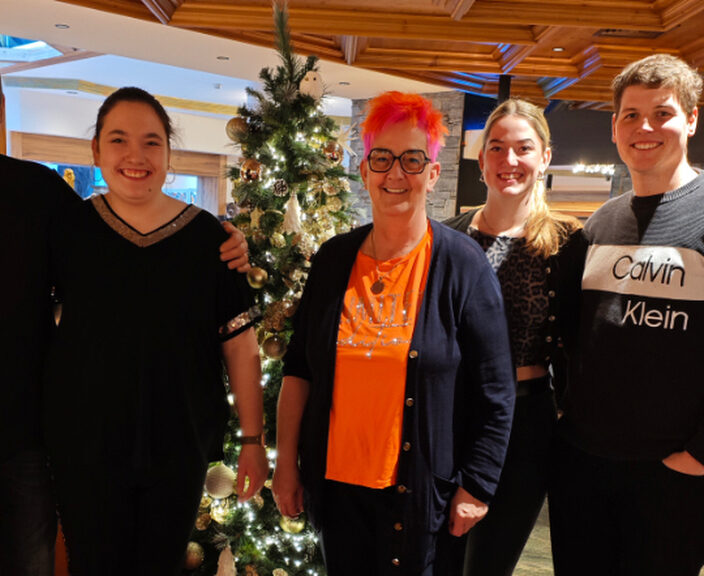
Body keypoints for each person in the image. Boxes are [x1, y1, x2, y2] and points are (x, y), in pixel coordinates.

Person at [0, 41, 249, 576]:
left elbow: (227, 333)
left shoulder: (41, 195)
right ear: (97, 152)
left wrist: (232, 242)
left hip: (33, 439)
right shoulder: (68, 217)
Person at [271, 91, 516, 575]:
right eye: (381, 159)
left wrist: (478, 485)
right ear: (364, 171)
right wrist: (285, 465)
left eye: (411, 159)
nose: (395, 174)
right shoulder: (333, 259)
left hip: (421, 493)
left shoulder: (463, 266)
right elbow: (299, 369)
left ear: (432, 173)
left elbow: (496, 391)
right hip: (338, 489)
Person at [42, 87, 269, 575]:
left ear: (169, 152)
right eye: (118, 140)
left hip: (178, 445)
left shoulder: (212, 239)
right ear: (96, 151)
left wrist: (254, 440)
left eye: (151, 142)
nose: (135, 156)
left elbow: (241, 345)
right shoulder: (67, 230)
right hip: (85, 446)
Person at [549, 53, 704, 576]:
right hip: (583, 464)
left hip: (673, 473)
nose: (645, 128)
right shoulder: (600, 224)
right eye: (631, 115)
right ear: (615, 126)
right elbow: (570, 331)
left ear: (691, 119)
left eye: (662, 113)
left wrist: (698, 456)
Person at [438, 99, 585, 576]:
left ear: (545, 156)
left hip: (525, 421)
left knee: (490, 561)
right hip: (450, 414)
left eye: (524, 148)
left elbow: (584, 339)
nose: (509, 161)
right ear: (480, 161)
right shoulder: (448, 237)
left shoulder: (567, 242)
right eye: (496, 148)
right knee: (438, 554)